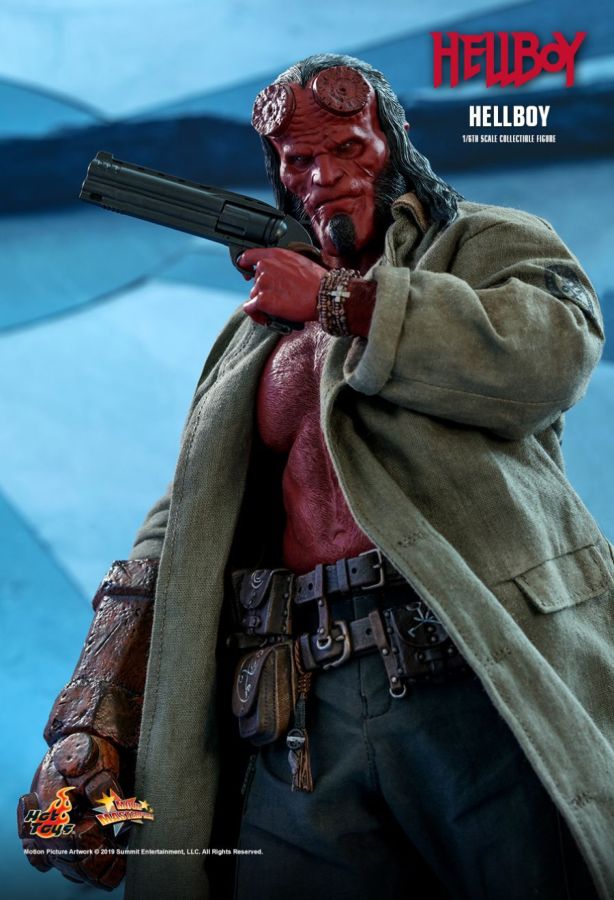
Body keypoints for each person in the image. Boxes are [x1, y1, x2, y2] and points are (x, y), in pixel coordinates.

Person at [19, 54, 614, 900]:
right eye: (300, 160)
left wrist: (338, 301)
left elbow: (549, 355)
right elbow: (184, 521)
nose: (324, 175)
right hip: (296, 712)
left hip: (474, 671)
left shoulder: (482, 244)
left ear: (391, 144)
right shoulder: (251, 337)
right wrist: (90, 720)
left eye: (348, 148)